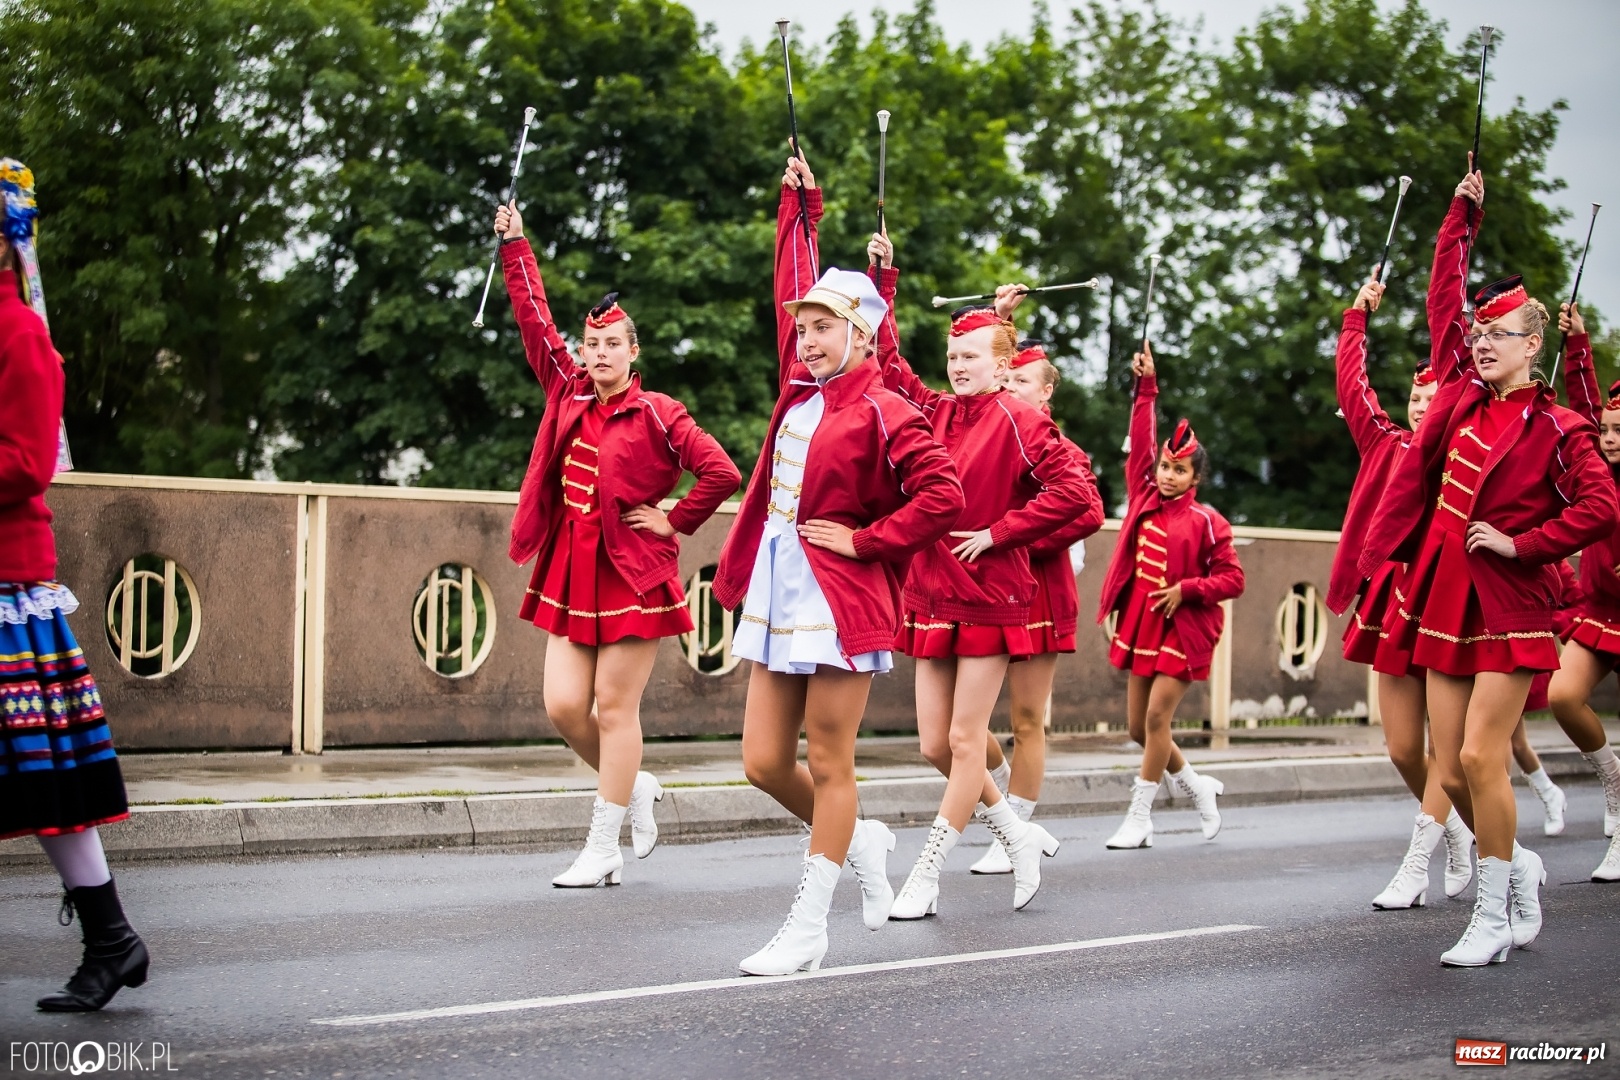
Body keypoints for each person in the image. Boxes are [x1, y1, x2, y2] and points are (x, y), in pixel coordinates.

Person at [1359, 160, 1618, 966]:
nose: (1479, 343)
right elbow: (1444, 301)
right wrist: (1457, 222)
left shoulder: (1561, 426)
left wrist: (1522, 544)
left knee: (1478, 755)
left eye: (1497, 335)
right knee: (1448, 764)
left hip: (1510, 604)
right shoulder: (1464, 395)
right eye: (1477, 335)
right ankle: (1520, 871)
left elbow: (1602, 508)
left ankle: (1494, 911)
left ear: (1533, 345)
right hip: (1441, 597)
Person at [713, 153, 964, 975]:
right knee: (760, 762)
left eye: (825, 326)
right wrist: (802, 202)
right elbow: (791, 267)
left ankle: (810, 925)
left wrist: (866, 540)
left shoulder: (888, 408)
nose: (808, 337)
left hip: (843, 599)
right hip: (781, 595)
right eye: (804, 326)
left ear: (862, 334)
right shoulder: (800, 395)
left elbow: (944, 498)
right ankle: (861, 838)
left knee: (829, 761)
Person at [496, 198, 741, 888]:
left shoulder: (661, 413)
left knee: (612, 707)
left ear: (634, 354)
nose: (597, 354)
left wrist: (676, 520)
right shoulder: (566, 393)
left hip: (633, 571)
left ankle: (604, 845)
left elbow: (722, 471)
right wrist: (516, 248)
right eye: (590, 345)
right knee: (564, 707)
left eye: (611, 345)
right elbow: (534, 322)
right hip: (569, 566)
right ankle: (632, 784)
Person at [867, 237, 1098, 918]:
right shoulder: (933, 411)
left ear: (1003, 367)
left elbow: (1079, 497)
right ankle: (1018, 836)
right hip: (931, 592)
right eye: (953, 357)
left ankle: (927, 873)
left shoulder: (1021, 418)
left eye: (971, 358)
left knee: (968, 739)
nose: (958, 367)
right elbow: (886, 362)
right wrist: (884, 278)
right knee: (935, 744)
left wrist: (1001, 532)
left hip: (994, 596)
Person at [0, 158, 148, 1012]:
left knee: (46, 783)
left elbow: (25, 464)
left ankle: (112, 938)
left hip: (8, 580)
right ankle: (113, 938)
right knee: (33, 779)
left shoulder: (22, 336)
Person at [1328, 275, 1474, 910]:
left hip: (1447, 601)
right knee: (1403, 747)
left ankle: (1418, 859)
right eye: (1415, 395)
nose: (1421, 404)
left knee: (1449, 747)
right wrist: (1356, 320)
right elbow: (1352, 390)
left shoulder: (1463, 451)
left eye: (1433, 392)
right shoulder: (1384, 445)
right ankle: (1461, 828)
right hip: (1391, 605)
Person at [1095, 340, 1245, 851]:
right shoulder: (1143, 498)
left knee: (1159, 719)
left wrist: (1188, 590)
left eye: (1179, 470)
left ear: (1196, 477)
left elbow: (1233, 581)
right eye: (1164, 466)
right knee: (1139, 728)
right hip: (1142, 621)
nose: (1167, 475)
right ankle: (1199, 787)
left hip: (1184, 627)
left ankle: (1140, 817)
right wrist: (1146, 387)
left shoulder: (1210, 522)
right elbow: (1140, 440)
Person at [973, 332, 1104, 876]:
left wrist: (1016, 538)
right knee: (965, 723)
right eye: (1007, 376)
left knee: (1027, 717)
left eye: (1022, 380)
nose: (1010, 385)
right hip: (982, 588)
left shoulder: (1061, 447)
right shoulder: (986, 427)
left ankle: (1013, 833)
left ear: (1046, 393)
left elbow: (1089, 511)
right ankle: (1008, 809)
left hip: (1040, 589)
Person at [1547, 301, 1620, 879]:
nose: (1610, 438)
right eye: (1609, 431)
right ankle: (1613, 781)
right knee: (1562, 696)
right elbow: (1585, 406)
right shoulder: (1596, 469)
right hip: (1598, 613)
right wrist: (1578, 345)